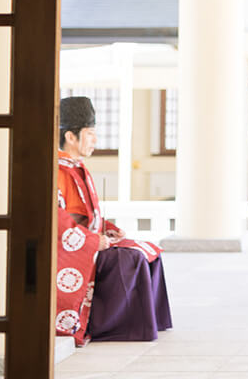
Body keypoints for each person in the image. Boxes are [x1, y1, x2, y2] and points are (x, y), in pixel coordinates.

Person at [55, 96, 171, 345]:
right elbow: (57, 221)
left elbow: (87, 214)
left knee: (149, 250)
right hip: (71, 249)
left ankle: (151, 322)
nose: (96, 140)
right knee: (132, 259)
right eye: (90, 133)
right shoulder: (55, 170)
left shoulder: (76, 167)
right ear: (71, 137)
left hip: (88, 239)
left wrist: (108, 229)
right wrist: (92, 241)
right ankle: (121, 327)